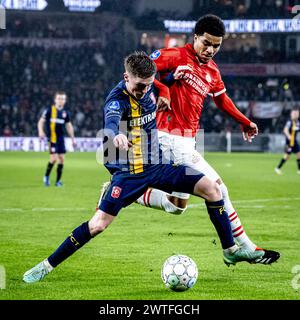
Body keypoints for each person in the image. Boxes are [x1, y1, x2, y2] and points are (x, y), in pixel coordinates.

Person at [23, 52, 279, 284]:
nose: (144, 91)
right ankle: (46, 265)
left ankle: (230, 251)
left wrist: (167, 82)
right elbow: (111, 122)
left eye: (148, 85)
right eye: (139, 86)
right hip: (130, 174)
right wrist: (115, 136)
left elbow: (160, 82)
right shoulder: (116, 100)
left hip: (159, 165)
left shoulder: (148, 86)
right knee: (98, 225)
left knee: (212, 189)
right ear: (126, 77)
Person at [133, 14, 276, 259]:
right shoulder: (176, 55)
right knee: (219, 189)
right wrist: (164, 88)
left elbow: (221, 99)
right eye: (206, 43)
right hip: (168, 137)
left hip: (187, 140)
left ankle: (128, 191)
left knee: (177, 206)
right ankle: (242, 248)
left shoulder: (212, 70)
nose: (210, 50)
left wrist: (244, 121)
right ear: (195, 37)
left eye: (216, 46)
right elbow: (138, 70)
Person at [37, 91, 76, 187]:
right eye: (59, 98)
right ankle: (46, 177)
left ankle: (58, 181)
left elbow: (69, 126)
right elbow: (41, 122)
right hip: (52, 138)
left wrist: (72, 138)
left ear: (65, 101)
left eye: (62, 99)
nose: (60, 100)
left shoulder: (65, 113)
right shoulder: (49, 110)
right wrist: (41, 131)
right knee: (54, 159)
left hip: (61, 139)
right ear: (55, 100)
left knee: (62, 159)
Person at [275, 108, 300, 175]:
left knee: (298, 155)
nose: (296, 115)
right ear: (292, 114)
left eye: (297, 113)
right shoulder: (289, 122)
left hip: (295, 141)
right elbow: (285, 130)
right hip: (290, 142)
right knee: (287, 156)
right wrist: (289, 136)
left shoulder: (298, 122)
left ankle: (299, 170)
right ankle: (277, 168)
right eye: (295, 113)